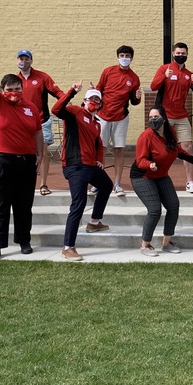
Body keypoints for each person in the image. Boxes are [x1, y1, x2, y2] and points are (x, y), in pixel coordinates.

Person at [0, 51, 43, 263]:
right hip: (0, 161)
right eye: (9, 90)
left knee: (24, 205)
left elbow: (37, 131)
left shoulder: (31, 108)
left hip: (25, 162)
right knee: (0, 205)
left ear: (22, 89)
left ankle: (24, 241)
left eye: (17, 89)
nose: (14, 92)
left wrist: (40, 153)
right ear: (3, 91)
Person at [52, 85, 114, 261]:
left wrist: (100, 159)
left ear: (100, 104)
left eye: (97, 100)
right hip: (75, 166)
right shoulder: (74, 112)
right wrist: (71, 91)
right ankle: (68, 247)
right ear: (85, 100)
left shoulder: (96, 123)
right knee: (78, 203)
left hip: (90, 166)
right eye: (91, 99)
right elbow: (56, 109)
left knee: (106, 185)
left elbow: (98, 143)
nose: (94, 102)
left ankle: (94, 222)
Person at [131, 105, 193, 257]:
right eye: (150, 118)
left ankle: (167, 242)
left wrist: (192, 158)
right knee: (155, 209)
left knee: (173, 205)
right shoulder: (146, 136)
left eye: (156, 117)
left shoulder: (171, 132)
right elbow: (140, 159)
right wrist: (149, 164)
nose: (153, 120)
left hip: (161, 175)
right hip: (143, 175)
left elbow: (176, 150)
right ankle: (145, 245)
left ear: (163, 118)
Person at [151, 42, 193, 194]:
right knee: (158, 148)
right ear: (173, 54)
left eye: (183, 53)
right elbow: (154, 86)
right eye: (178, 53)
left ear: (187, 54)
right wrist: (164, 77)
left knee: (187, 147)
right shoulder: (164, 69)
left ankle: (190, 181)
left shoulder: (188, 74)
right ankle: (155, 179)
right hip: (164, 116)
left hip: (181, 116)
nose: (180, 56)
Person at [15, 49, 65, 197]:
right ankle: (23, 184)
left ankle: (43, 184)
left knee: (42, 152)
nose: (23, 62)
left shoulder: (42, 77)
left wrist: (66, 102)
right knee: (21, 153)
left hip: (41, 121)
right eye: (20, 59)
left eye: (26, 59)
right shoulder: (14, 80)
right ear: (17, 60)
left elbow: (58, 93)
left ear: (31, 60)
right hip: (20, 123)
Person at [95, 45, 142, 196]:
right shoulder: (107, 71)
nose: (124, 58)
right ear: (117, 57)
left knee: (119, 149)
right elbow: (99, 90)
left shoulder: (134, 78)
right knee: (100, 149)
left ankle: (117, 183)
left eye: (127, 55)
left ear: (132, 58)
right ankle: (97, 182)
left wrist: (138, 98)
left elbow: (134, 101)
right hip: (102, 116)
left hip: (121, 118)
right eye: (122, 55)